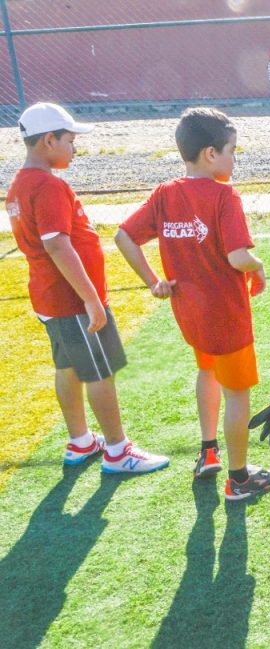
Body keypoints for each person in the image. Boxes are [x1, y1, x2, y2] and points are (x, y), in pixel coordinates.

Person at [115, 107, 270, 500]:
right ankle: (239, 479)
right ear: (210, 154)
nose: (234, 159)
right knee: (237, 393)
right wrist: (258, 266)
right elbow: (237, 257)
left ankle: (208, 452)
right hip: (226, 316)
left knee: (207, 370)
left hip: (191, 314)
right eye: (232, 151)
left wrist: (154, 282)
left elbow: (123, 237)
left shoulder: (165, 194)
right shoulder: (225, 195)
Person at [6, 103, 169, 474]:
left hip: (51, 298)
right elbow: (56, 244)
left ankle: (80, 441)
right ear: (49, 140)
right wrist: (92, 300)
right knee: (100, 370)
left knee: (67, 366)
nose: (75, 148)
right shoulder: (47, 185)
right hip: (72, 301)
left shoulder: (20, 184)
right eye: (70, 140)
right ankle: (118, 451)